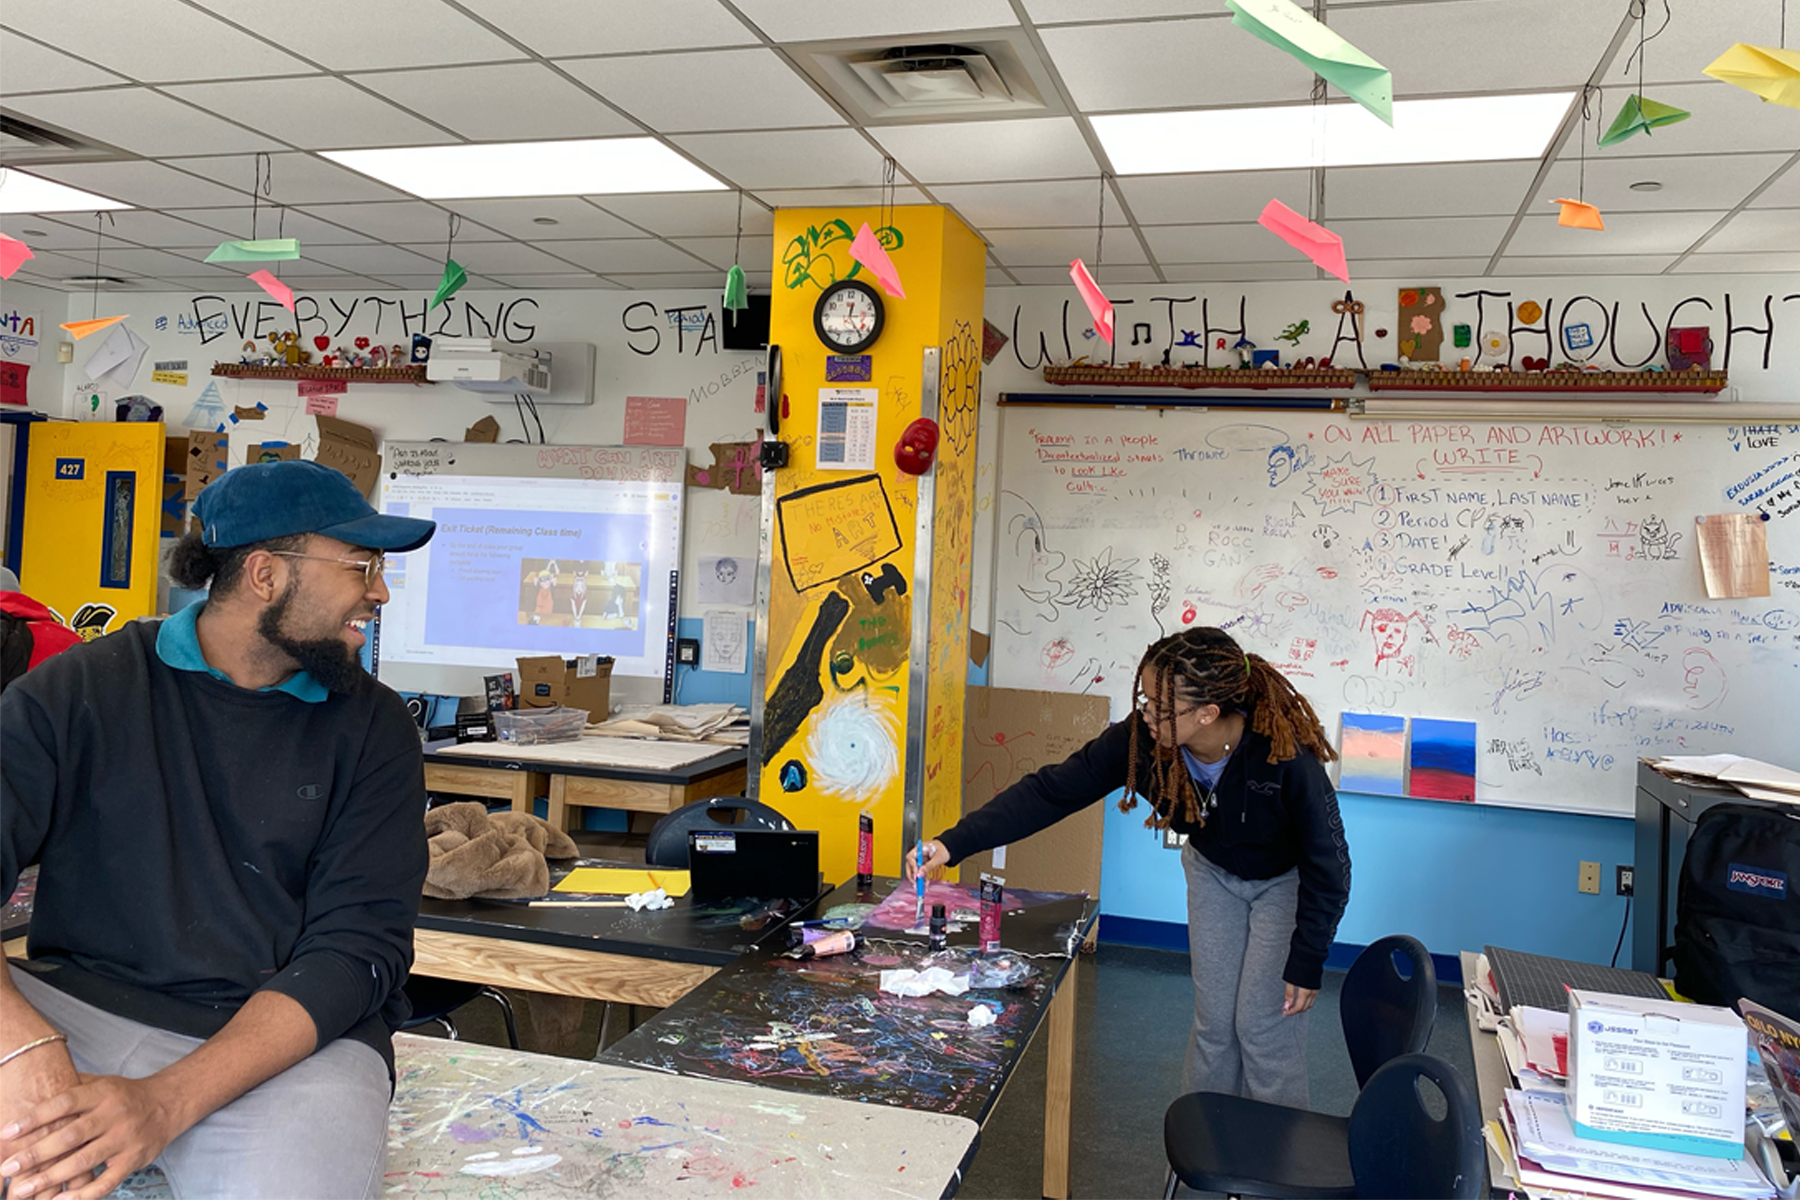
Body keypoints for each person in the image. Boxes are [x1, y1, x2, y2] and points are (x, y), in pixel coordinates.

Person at [0, 459, 437, 1199]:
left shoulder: (375, 727)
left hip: (288, 1047)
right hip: (81, 1009)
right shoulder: (79, 691)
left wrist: (162, 1104)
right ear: (265, 575)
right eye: (362, 565)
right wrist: (26, 1051)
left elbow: (357, 950)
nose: (380, 591)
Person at [910, 626, 1350, 1107]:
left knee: (1263, 1025)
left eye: (1163, 709)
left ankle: (1277, 1156)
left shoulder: (1283, 757)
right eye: (1145, 700)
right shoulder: (1141, 741)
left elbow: (1329, 865)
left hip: (1285, 883)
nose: (1147, 716)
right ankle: (1205, 1139)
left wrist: (1308, 961)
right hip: (1211, 873)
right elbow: (1051, 791)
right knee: (1216, 1022)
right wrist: (954, 843)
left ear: (1208, 713)